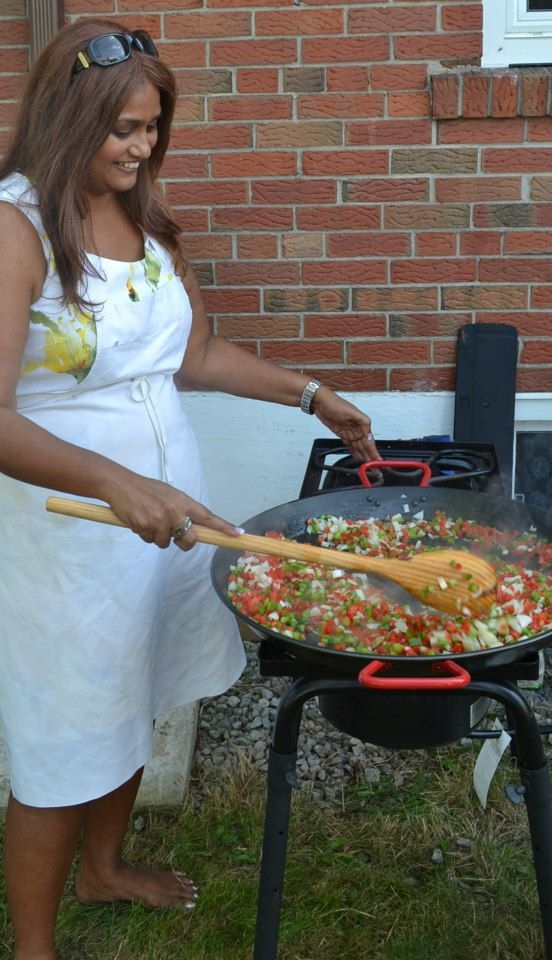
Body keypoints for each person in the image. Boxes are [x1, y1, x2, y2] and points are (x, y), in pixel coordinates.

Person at [0, 18, 379, 960]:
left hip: (172, 519)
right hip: (71, 530)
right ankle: (36, 947)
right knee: (64, 739)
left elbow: (195, 353)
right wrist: (119, 483)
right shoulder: (15, 231)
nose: (141, 147)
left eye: (152, 127)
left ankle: (106, 867)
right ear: (66, 117)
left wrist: (309, 393)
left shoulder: (145, 220)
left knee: (141, 689)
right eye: (122, 128)